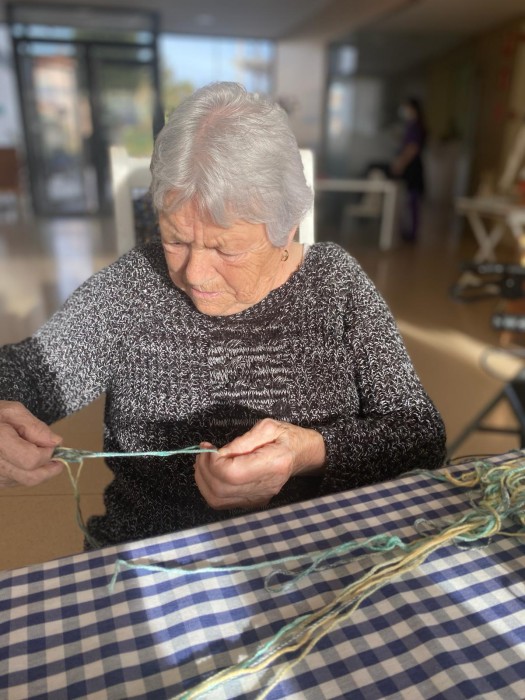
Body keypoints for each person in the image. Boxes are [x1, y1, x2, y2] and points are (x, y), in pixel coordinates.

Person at [0, 83, 446, 549]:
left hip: (318, 551)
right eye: (175, 239)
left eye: (226, 249)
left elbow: (421, 437)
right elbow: (27, 372)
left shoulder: (336, 282)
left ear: (286, 227)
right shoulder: (132, 287)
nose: (194, 273)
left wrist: (310, 453)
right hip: (154, 558)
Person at [391, 97, 427, 242]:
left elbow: (412, 148)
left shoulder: (416, 127)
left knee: (412, 201)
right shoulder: (411, 126)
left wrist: (400, 163)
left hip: (412, 168)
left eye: (406, 107)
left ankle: (412, 233)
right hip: (411, 167)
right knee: (410, 201)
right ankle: (408, 232)